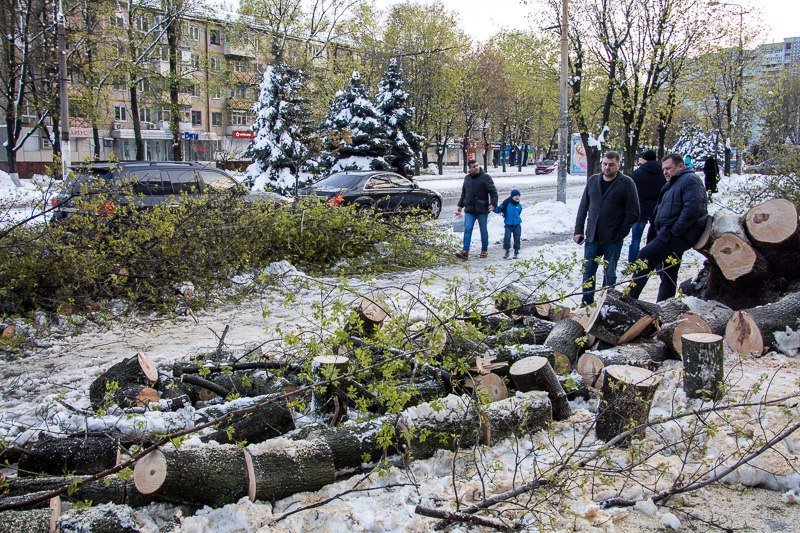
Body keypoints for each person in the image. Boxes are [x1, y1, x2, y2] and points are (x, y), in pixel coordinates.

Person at [628, 153, 709, 302]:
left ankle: (629, 299)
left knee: (644, 257)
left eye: (669, 168)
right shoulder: (670, 184)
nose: (665, 171)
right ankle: (665, 306)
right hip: (668, 234)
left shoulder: (690, 180)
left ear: (680, 166)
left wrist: (675, 231)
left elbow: (692, 209)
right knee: (668, 273)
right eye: (663, 168)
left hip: (676, 236)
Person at [573, 151, 640, 305]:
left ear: (618, 165)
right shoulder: (593, 180)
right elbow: (584, 206)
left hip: (613, 238)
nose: (607, 167)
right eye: (605, 164)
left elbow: (634, 212)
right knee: (588, 271)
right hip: (592, 236)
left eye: (611, 165)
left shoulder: (627, 183)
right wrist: (578, 230)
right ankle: (587, 302)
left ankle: (607, 302)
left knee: (609, 273)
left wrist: (621, 232)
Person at [628, 150, 666, 264]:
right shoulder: (663, 173)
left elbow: (632, 192)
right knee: (655, 238)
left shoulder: (637, 173)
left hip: (641, 209)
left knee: (635, 239)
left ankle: (633, 263)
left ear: (644, 159)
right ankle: (653, 262)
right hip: (657, 209)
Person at [455, 159, 498, 260]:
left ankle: (484, 250)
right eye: (474, 166)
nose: (477, 167)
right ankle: (465, 251)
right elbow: (464, 193)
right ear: (469, 169)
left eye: (477, 165)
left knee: (483, 230)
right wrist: (460, 206)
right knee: (467, 229)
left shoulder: (485, 177)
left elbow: (493, 192)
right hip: (469, 210)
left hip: (482, 209)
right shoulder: (467, 178)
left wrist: (493, 204)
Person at [494, 189, 523, 260]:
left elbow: (518, 213)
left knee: (517, 238)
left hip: (517, 225)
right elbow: (499, 209)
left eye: (518, 196)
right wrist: (493, 208)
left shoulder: (519, 206)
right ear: (512, 196)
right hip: (508, 225)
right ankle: (507, 251)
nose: (517, 197)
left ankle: (516, 252)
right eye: (515, 196)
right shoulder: (506, 203)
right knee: (507, 238)